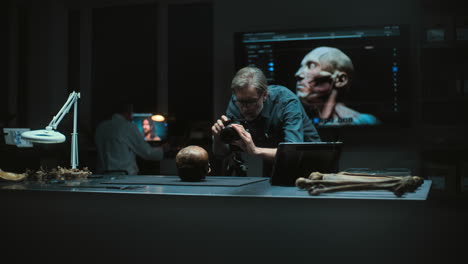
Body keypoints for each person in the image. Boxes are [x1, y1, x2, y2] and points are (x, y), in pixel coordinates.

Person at [211, 66, 321, 177]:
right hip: (274, 159)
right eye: (241, 101)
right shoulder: (236, 102)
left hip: (312, 161)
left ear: (264, 95)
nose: (244, 108)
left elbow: (293, 152)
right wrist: (217, 138)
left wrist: (256, 151)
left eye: (251, 102)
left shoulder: (286, 101)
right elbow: (221, 154)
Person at [295, 46, 380, 126]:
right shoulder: (305, 123)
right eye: (301, 67)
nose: (298, 74)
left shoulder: (365, 121)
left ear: (340, 80)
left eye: (311, 66)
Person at [95, 102, 164, 175]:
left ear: (152, 126)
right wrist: (163, 150)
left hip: (101, 175)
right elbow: (147, 152)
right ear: (128, 111)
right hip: (124, 176)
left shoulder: (101, 127)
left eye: (147, 124)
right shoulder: (128, 126)